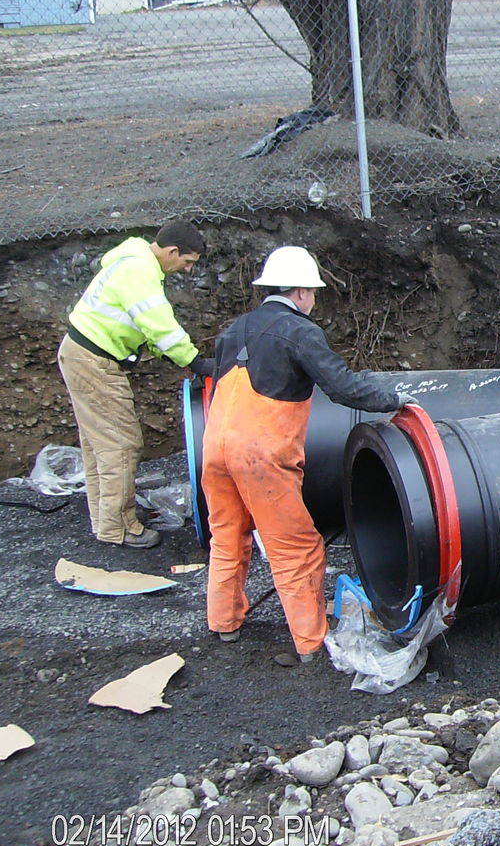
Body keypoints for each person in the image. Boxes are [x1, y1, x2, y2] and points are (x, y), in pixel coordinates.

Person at [203, 246, 412, 667]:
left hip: (215, 449)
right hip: (259, 456)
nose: (313, 300)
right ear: (301, 292)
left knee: (227, 536)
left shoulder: (234, 330)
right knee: (296, 546)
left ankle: (224, 622)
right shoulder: (299, 332)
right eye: (313, 292)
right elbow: (342, 386)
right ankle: (311, 642)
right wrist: (392, 398)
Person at [58, 221, 213, 549]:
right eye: (187, 262)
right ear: (172, 252)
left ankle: (106, 522)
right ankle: (119, 527)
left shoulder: (134, 263)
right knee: (120, 444)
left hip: (81, 354)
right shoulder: (141, 273)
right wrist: (196, 362)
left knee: (100, 445)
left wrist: (172, 356)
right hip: (94, 361)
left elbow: (143, 325)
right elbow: (160, 326)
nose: (186, 270)